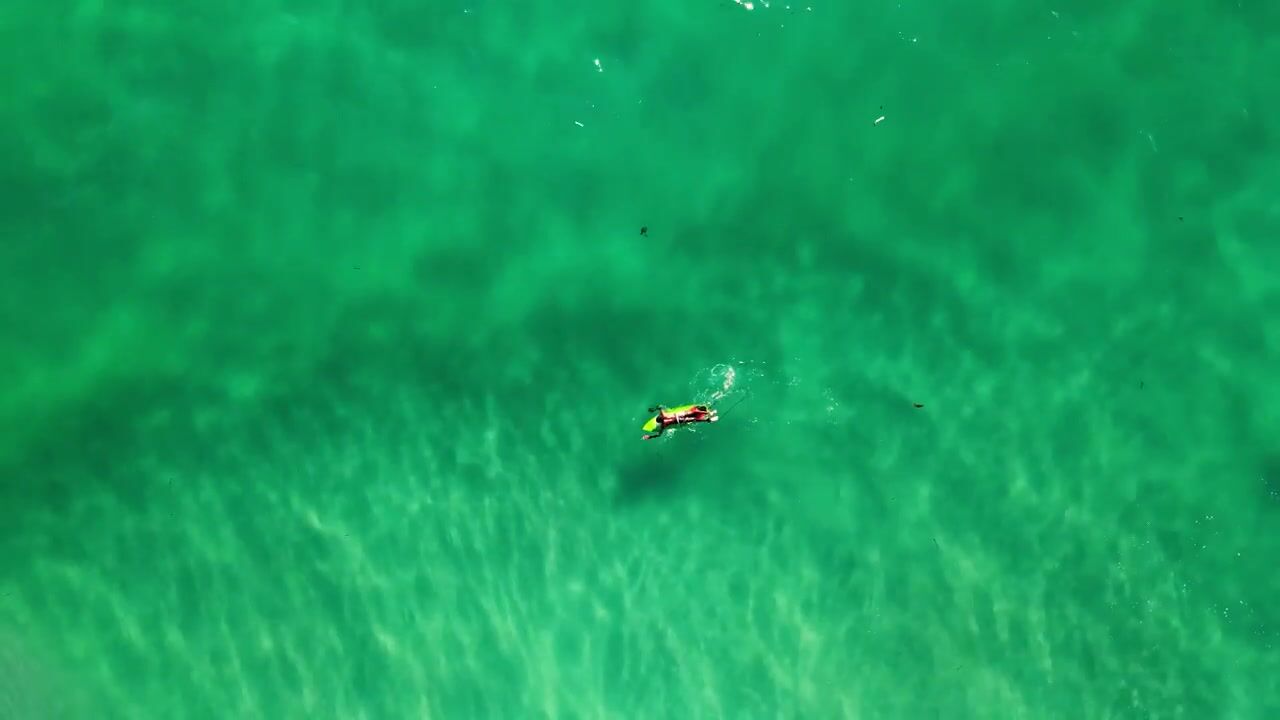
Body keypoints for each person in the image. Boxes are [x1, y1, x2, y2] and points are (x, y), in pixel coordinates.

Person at [642, 403, 717, 440]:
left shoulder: (663, 423)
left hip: (679, 419)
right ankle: (708, 417)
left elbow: (659, 435)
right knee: (692, 415)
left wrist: (650, 437)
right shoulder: (663, 416)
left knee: (693, 416)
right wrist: (653, 409)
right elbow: (660, 406)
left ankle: (708, 417)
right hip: (679, 417)